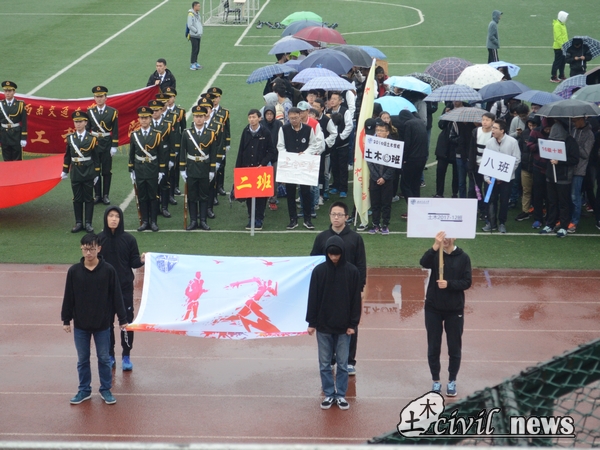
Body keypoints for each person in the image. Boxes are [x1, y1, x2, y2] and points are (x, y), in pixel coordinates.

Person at [61, 233, 128, 405]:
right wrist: (66, 319)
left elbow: (117, 296)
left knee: (104, 358)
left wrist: (122, 319)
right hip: (81, 325)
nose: (88, 252)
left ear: (99, 248)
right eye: (85, 249)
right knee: (82, 359)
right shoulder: (74, 271)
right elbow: (69, 296)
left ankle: (106, 389)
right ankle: (84, 389)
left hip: (103, 325)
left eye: (91, 249)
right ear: (81, 249)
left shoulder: (109, 271)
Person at [310, 201, 367, 375]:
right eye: (333, 214)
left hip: (349, 289)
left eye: (340, 215)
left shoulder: (355, 238)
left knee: (350, 323)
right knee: (326, 322)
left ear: (346, 217)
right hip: (326, 289)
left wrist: (360, 287)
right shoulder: (321, 238)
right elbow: (313, 261)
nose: (336, 218)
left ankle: (349, 360)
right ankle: (330, 359)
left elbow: (361, 264)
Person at [306, 235, 362, 410]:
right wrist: (312, 323)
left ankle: (341, 395)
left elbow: (355, 300)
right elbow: (313, 298)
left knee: (343, 364)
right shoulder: (319, 271)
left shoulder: (352, 272)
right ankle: (329, 394)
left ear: (342, 253)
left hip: (344, 327)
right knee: (324, 364)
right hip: (323, 326)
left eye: (337, 254)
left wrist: (353, 324)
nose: (334, 257)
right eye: (331, 254)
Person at [420, 231, 472, 397]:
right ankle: (436, 380)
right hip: (433, 307)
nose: (447, 239)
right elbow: (423, 262)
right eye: (444, 237)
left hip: (454, 309)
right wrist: (435, 245)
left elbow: (467, 282)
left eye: (450, 236)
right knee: (433, 345)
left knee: (454, 346)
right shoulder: (436, 254)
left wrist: (449, 284)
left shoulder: (463, 257)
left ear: (455, 237)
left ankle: (452, 380)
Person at [98, 206, 145, 371]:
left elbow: (134, 262)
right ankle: (110, 354)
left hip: (124, 288)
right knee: (107, 323)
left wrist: (142, 260)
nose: (113, 219)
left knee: (126, 322)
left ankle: (126, 355)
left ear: (121, 219)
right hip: (105, 290)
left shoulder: (129, 239)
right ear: (106, 218)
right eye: (110, 216)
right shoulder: (99, 240)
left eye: (117, 216)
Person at [276, 107, 320, 230]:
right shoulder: (283, 129)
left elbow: (313, 145)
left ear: (300, 116)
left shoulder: (308, 129)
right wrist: (288, 156)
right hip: (290, 165)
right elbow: (280, 146)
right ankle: (293, 219)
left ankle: (307, 219)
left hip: (303, 165)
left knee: (306, 192)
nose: (293, 120)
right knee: (290, 193)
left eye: (295, 118)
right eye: (291, 118)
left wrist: (305, 154)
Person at [235, 109, 276, 230]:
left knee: (261, 196)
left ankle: (259, 218)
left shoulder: (265, 132)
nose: (252, 120)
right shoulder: (246, 131)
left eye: (254, 117)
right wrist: (238, 168)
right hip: (248, 169)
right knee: (248, 195)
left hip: (261, 170)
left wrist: (263, 163)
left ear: (259, 118)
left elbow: (271, 152)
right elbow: (241, 150)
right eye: (250, 117)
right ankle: (251, 217)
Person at [61, 111, 100, 233]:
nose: (78, 124)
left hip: (88, 171)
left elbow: (96, 157)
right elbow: (67, 156)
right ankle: (78, 222)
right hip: (76, 171)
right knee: (77, 198)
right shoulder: (70, 138)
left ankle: (88, 223)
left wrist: (96, 173)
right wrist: (65, 170)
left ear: (85, 123)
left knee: (88, 198)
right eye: (76, 122)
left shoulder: (92, 138)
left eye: (80, 121)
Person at [180, 106, 218, 231]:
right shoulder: (187, 133)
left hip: (204, 168)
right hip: (191, 168)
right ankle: (193, 221)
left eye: (201, 116)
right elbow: (182, 151)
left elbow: (213, 153)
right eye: (196, 116)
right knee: (192, 196)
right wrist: (182, 169)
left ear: (204, 117)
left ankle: (203, 221)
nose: (199, 119)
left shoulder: (211, 133)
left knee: (204, 196)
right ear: (193, 118)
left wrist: (212, 170)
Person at [129, 106, 166, 232]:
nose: (143, 120)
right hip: (139, 168)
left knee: (153, 195)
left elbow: (161, 154)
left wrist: (161, 170)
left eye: (146, 118)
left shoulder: (157, 135)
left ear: (150, 119)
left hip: (152, 168)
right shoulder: (135, 135)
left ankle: (153, 221)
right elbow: (132, 153)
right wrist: (131, 169)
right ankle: (145, 221)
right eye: (141, 118)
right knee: (142, 196)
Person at [539, 122, 579, 238]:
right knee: (551, 201)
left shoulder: (570, 142)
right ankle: (550, 224)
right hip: (551, 175)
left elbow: (574, 159)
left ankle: (564, 226)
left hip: (564, 177)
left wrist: (559, 161)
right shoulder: (549, 141)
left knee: (563, 202)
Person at [482, 119, 521, 233]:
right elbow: (486, 161)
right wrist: (486, 177)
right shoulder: (490, 143)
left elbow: (517, 159)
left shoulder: (512, 142)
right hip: (491, 179)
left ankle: (502, 223)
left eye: (495, 128)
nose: (492, 130)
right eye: (492, 128)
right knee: (491, 200)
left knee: (504, 201)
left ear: (502, 130)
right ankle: (491, 222)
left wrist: (505, 174)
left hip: (507, 179)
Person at [87, 86, 119, 205]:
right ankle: (97, 195)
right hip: (94, 144)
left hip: (106, 144)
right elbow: (87, 130)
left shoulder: (112, 112)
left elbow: (115, 130)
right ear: (94, 98)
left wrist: (114, 146)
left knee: (106, 171)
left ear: (106, 97)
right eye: (97, 96)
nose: (99, 99)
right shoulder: (90, 112)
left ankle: (105, 195)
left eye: (101, 96)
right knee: (95, 170)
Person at [367, 121, 395, 234]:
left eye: (381, 131)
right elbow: (369, 161)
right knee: (375, 203)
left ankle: (385, 224)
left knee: (386, 203)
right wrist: (376, 177)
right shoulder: (371, 143)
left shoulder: (393, 145)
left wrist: (384, 177)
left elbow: (394, 164)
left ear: (387, 132)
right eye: (377, 130)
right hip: (374, 179)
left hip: (387, 180)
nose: (378, 133)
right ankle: (375, 224)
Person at [148, 99, 175, 218]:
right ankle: (155, 208)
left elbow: (172, 143)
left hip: (164, 157)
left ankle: (164, 207)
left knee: (164, 183)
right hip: (152, 158)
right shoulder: (147, 124)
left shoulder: (167, 124)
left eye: (156, 110)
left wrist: (172, 159)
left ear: (161, 110)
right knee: (153, 184)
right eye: (152, 110)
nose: (154, 112)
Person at [398, 110, 429, 212]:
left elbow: (407, 144)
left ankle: (413, 208)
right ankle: (417, 208)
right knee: (415, 184)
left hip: (412, 159)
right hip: (422, 158)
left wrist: (404, 158)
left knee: (405, 185)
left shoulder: (408, 124)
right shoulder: (420, 122)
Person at [568, 117, 594, 233]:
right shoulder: (573, 130)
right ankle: (567, 218)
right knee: (567, 195)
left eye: (575, 121)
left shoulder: (589, 134)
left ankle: (574, 221)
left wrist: (574, 145)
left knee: (575, 196)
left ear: (581, 119)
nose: (573, 123)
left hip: (579, 169)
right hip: (569, 167)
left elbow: (586, 154)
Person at [326, 92, 353, 198]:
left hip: (343, 144)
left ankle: (343, 188)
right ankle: (335, 185)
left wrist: (341, 137)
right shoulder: (328, 112)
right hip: (332, 144)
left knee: (343, 167)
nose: (332, 101)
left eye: (335, 99)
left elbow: (349, 126)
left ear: (340, 101)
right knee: (334, 166)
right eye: (331, 99)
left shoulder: (345, 111)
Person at [468, 112, 495, 219]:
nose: (484, 122)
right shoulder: (476, 131)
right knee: (473, 189)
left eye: (487, 120)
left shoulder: (494, 133)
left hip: (489, 167)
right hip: (476, 166)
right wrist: (470, 166)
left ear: (493, 122)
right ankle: (475, 209)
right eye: (483, 120)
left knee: (488, 191)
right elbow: (471, 149)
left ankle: (487, 212)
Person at [207, 87, 230, 199]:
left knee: (221, 166)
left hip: (221, 143)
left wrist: (227, 143)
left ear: (219, 98)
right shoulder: (205, 112)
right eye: (212, 97)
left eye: (216, 97)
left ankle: (220, 186)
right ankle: (213, 189)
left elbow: (227, 129)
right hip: (210, 144)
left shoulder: (224, 112)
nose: (214, 99)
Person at [0, 80, 27, 161]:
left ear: (14, 92)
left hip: (16, 134)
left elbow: (24, 122)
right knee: (6, 158)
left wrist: (23, 137)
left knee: (17, 158)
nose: (7, 93)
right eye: (5, 91)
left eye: (9, 91)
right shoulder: (1, 104)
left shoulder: (20, 104)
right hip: (4, 134)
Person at [551, 11, 569, 83]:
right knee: (557, 62)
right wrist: (562, 46)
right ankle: (553, 77)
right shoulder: (557, 25)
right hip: (559, 47)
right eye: (565, 17)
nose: (566, 19)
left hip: (563, 47)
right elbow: (558, 37)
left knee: (563, 62)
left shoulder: (562, 24)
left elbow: (564, 36)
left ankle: (561, 75)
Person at [187, 2, 203, 70]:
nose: (199, 7)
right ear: (194, 6)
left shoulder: (198, 14)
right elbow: (190, 25)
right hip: (193, 35)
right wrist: (196, 31)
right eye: (198, 6)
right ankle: (192, 64)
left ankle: (195, 62)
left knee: (197, 49)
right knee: (194, 49)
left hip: (198, 35)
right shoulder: (190, 15)